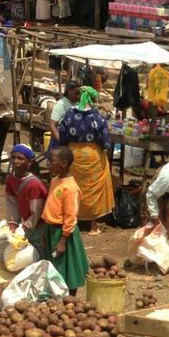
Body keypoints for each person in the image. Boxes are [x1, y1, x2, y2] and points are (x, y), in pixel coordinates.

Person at [58, 84, 114, 234]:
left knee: (73, 187)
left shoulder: (69, 114)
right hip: (92, 155)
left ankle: (72, 221)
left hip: (73, 155)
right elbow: (105, 140)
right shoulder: (97, 117)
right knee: (91, 190)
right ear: (91, 98)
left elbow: (62, 135)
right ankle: (93, 226)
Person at [40, 146, 89, 294]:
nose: (48, 163)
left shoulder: (70, 188)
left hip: (63, 232)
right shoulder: (55, 180)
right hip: (51, 229)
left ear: (64, 163)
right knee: (54, 264)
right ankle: (56, 294)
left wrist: (63, 240)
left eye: (52, 160)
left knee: (67, 265)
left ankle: (69, 296)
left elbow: (70, 215)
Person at [4, 143, 48, 257]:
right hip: (28, 224)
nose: (15, 161)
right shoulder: (10, 179)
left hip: (39, 225)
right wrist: (13, 224)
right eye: (13, 157)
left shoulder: (34, 184)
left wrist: (24, 227)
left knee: (37, 252)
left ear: (29, 162)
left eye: (20, 158)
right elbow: (11, 204)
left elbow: (36, 211)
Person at [48, 80, 81, 149]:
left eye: (80, 94)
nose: (78, 96)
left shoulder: (78, 104)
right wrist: (60, 141)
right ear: (69, 91)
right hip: (60, 141)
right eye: (76, 93)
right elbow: (52, 124)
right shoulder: (61, 104)